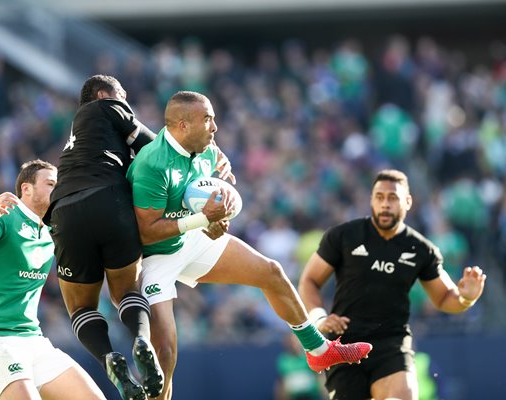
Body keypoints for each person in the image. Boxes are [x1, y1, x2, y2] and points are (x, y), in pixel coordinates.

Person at [126, 90, 372, 400]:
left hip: (189, 238)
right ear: (182, 125)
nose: (215, 127)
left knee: (270, 271)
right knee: (166, 352)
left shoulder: (204, 148)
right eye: (207, 120)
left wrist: (213, 222)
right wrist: (202, 219)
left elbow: (204, 195)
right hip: (153, 257)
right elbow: (146, 233)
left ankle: (318, 349)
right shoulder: (153, 164)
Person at [44, 75, 232, 400]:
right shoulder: (105, 107)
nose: (126, 100)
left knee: (81, 307)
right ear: (104, 95)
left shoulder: (78, 139)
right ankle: (140, 340)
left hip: (65, 211)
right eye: (122, 95)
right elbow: (160, 145)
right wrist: (206, 155)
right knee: (126, 292)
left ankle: (108, 357)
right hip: (111, 202)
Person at [297, 169, 486, 400]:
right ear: (371, 201)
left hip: (392, 344)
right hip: (345, 345)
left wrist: (467, 297)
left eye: (393, 198)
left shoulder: (421, 249)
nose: (385, 204)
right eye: (379, 197)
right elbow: (309, 280)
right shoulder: (344, 236)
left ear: (408, 201)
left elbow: (445, 298)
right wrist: (319, 318)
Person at [0, 160, 105, 400]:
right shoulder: (5, 217)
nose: (58, 190)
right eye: (50, 184)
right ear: (26, 189)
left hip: (34, 342)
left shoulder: (50, 231)